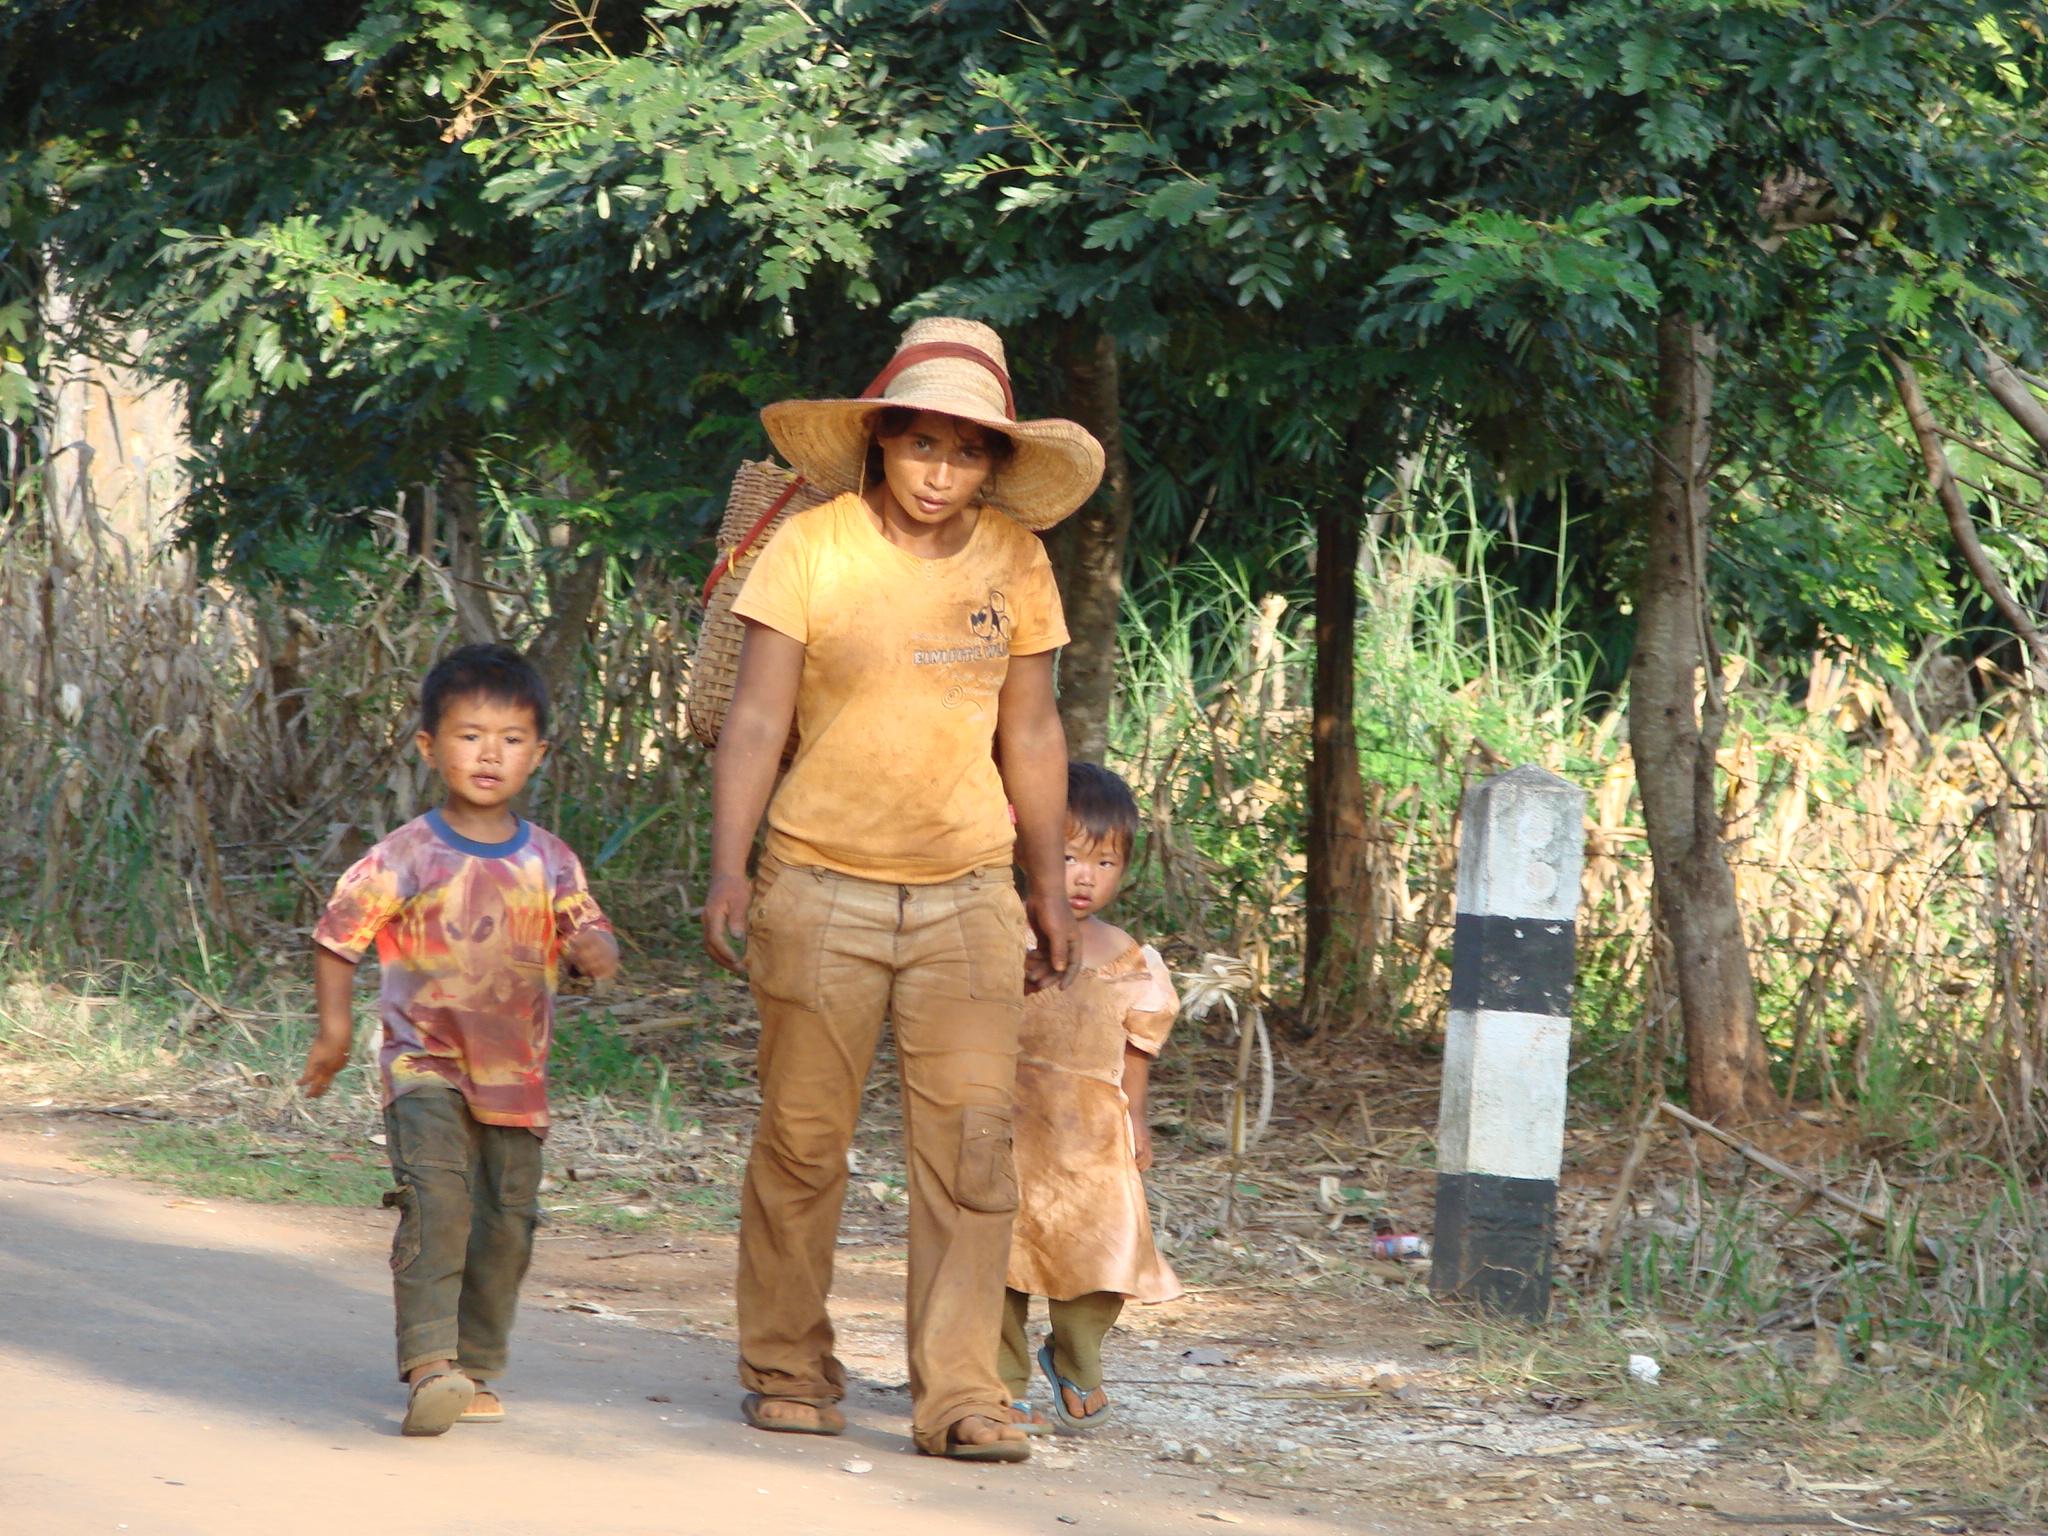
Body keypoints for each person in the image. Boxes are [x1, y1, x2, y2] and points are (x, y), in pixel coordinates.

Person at [702, 317, 1104, 1463]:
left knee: (973, 1153)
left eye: (966, 452)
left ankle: (961, 1395)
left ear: (993, 464)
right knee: (801, 1143)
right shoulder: (813, 547)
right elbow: (755, 719)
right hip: (815, 885)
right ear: (879, 441)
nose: (939, 472)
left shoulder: (1014, 561)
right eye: (921, 444)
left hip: (965, 897)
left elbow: (1031, 731)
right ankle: (785, 1367)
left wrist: (1046, 887)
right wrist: (729, 868)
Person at [298, 643, 620, 1436]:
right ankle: (429, 1365)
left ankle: (471, 1367)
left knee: (507, 1226)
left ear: (538, 753)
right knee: (438, 1204)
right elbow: (338, 937)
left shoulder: (551, 860)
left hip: (517, 1080)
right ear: (429, 746)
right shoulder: (407, 854)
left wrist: (596, 953)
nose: (489, 754)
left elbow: (589, 937)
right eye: (470, 735)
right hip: (424, 1065)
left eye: (511, 739)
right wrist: (334, 1032)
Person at [1002, 762, 1181, 1434]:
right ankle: (998, 1380)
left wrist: (1137, 1120)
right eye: (1068, 856)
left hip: (1093, 1135)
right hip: (1012, 1121)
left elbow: (1137, 1049)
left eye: (1104, 863)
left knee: (1102, 1257)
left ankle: (1075, 1355)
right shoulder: (999, 932)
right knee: (999, 1255)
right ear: (1027, 848)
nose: (1084, 877)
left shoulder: (1130, 958)